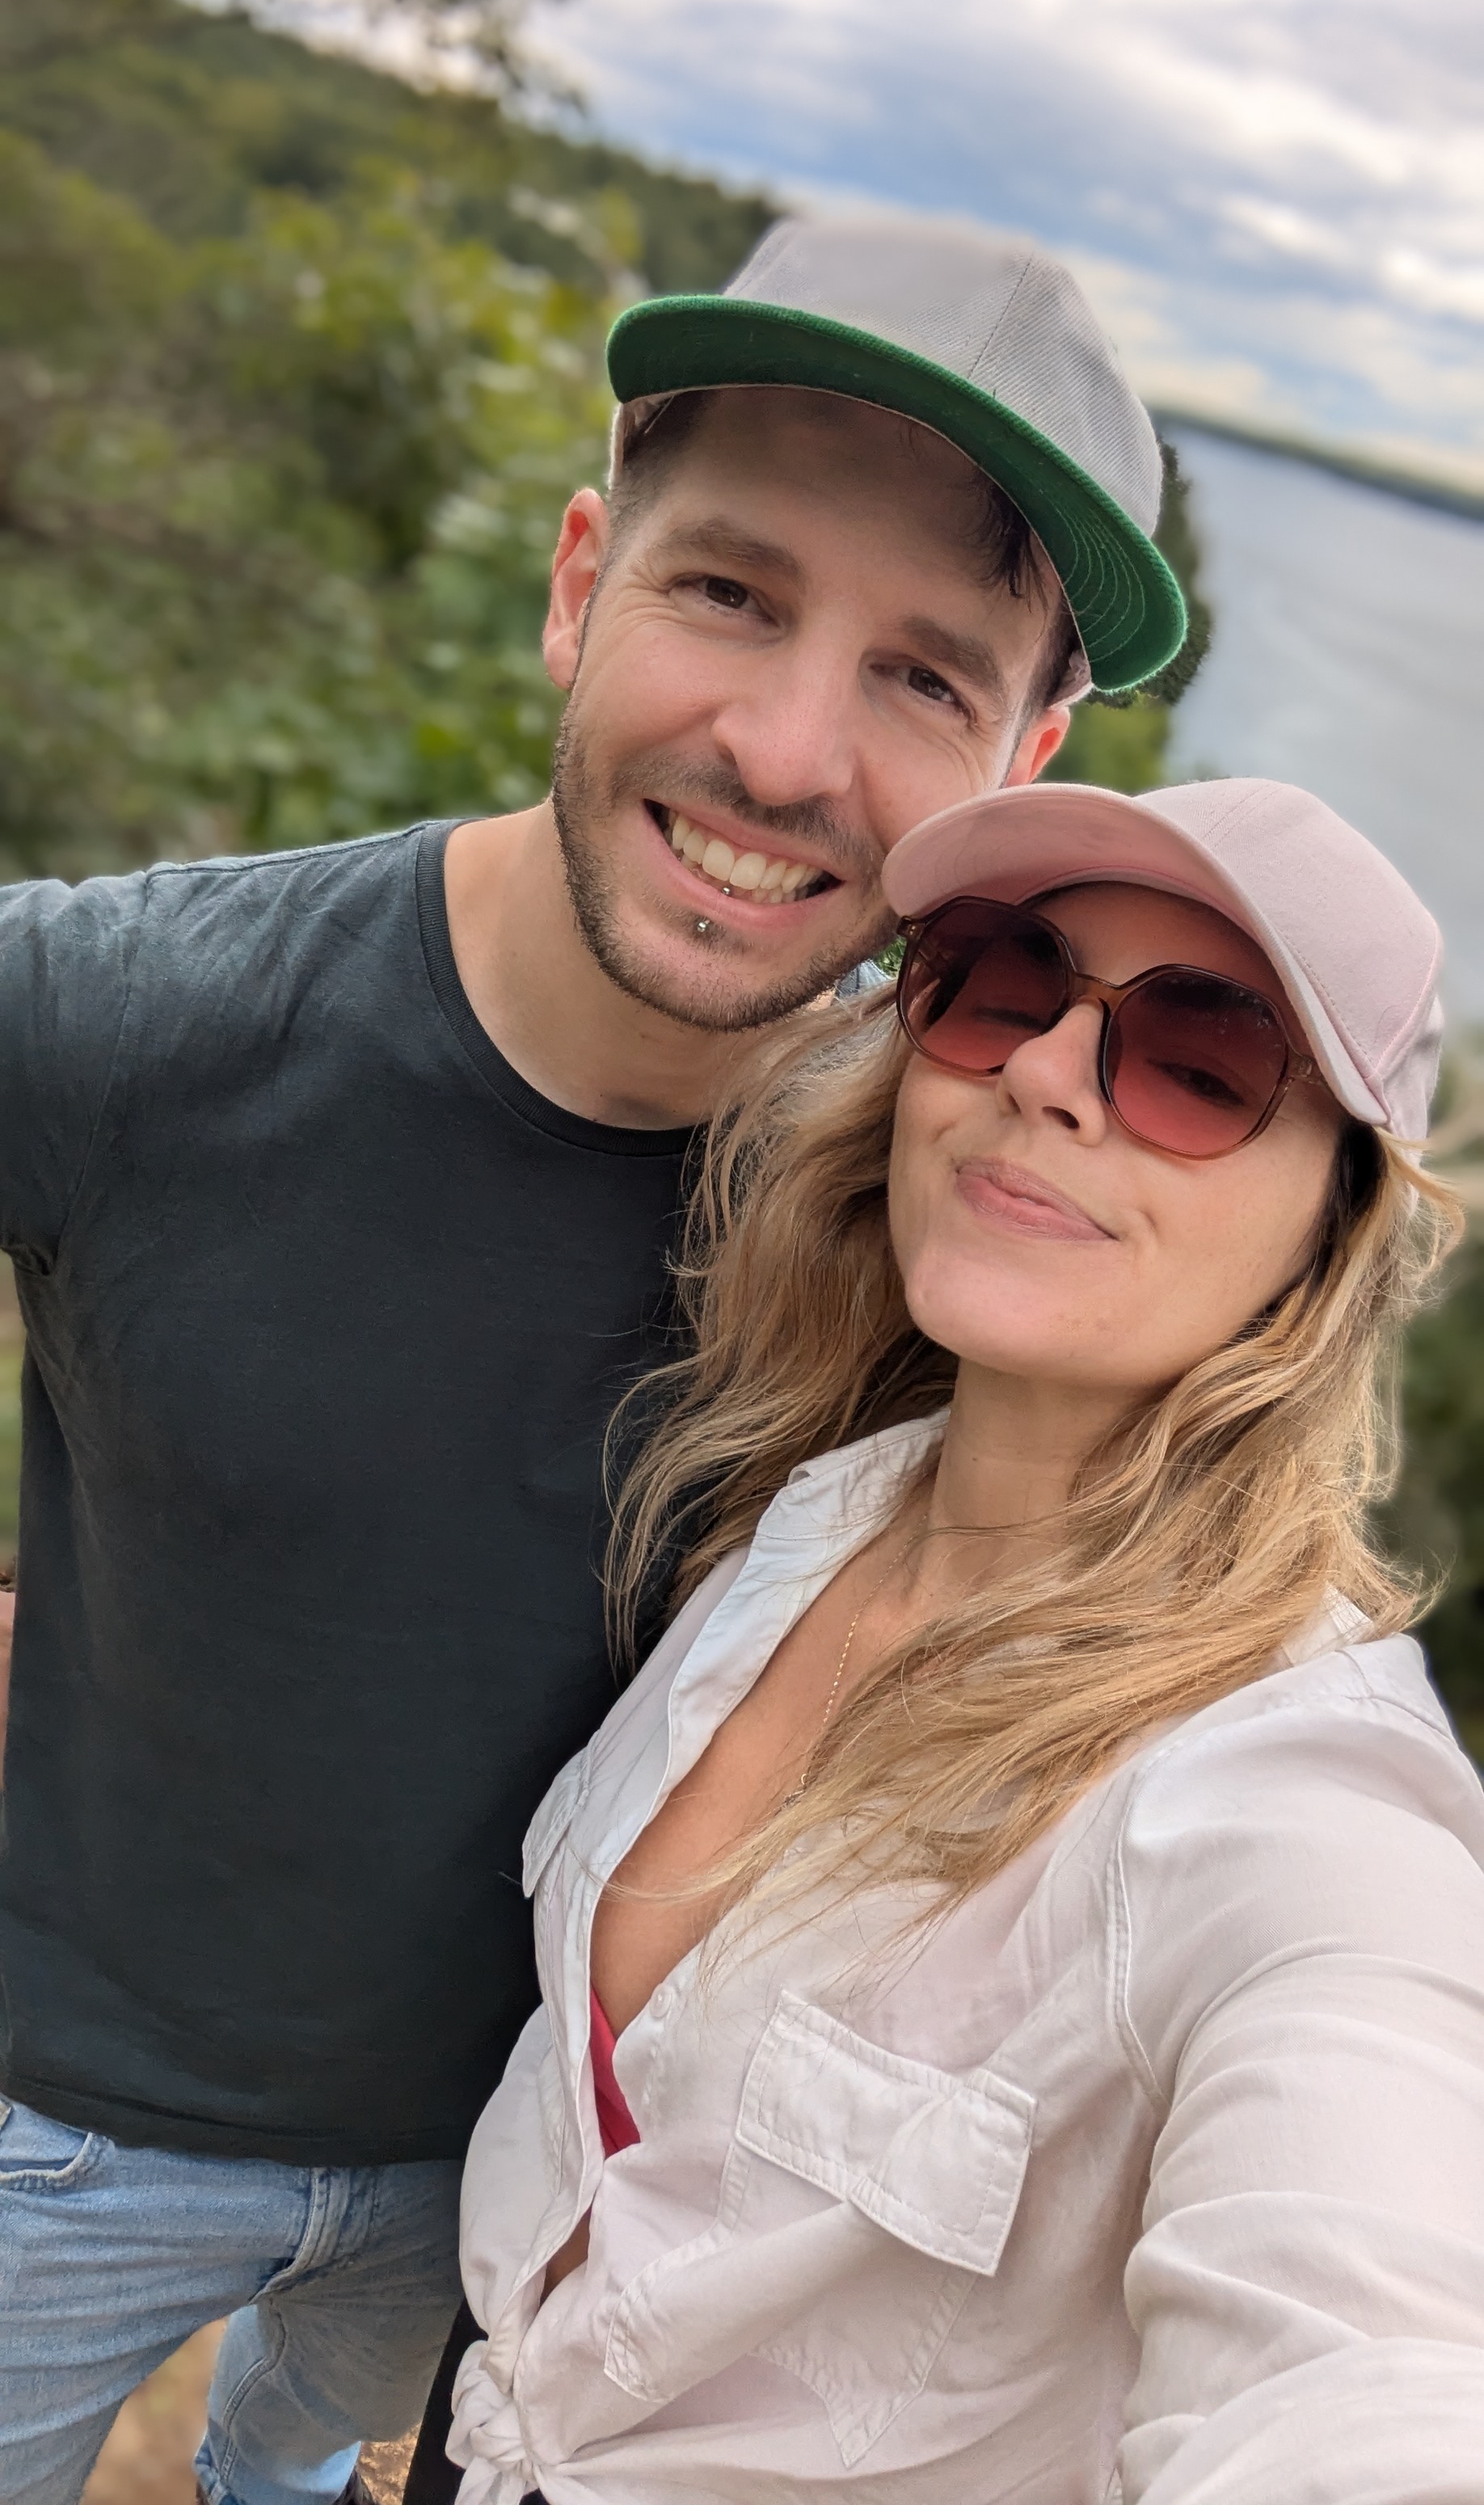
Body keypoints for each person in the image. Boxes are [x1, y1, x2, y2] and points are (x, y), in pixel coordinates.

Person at [0, 215, 1185, 2505]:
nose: (780, 747)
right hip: (57, 2117)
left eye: (923, 680)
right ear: (578, 586)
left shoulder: (945, 1234)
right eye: (728, 593)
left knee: (289, 2468)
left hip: (516, 2181)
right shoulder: (139, 1022)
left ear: (1024, 767)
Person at [448, 777, 1484, 2505]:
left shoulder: (1291, 1800)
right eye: (1006, 980)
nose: (1045, 1075)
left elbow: (1370, 2355)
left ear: (1329, 1238)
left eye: (1202, 1064)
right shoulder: (797, 1519)